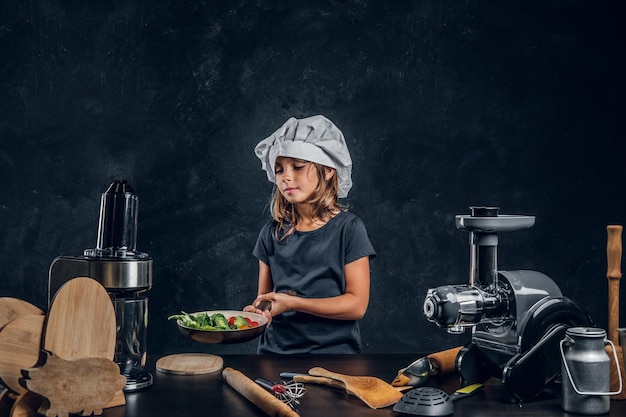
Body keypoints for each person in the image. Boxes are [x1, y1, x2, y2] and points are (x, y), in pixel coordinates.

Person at [244, 115, 376, 354]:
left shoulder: (349, 229)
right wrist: (258, 313)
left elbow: (357, 305)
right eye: (279, 169)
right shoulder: (270, 234)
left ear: (327, 171)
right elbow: (265, 299)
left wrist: (293, 303)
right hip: (275, 356)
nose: (286, 177)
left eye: (298, 166)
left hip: (336, 359)